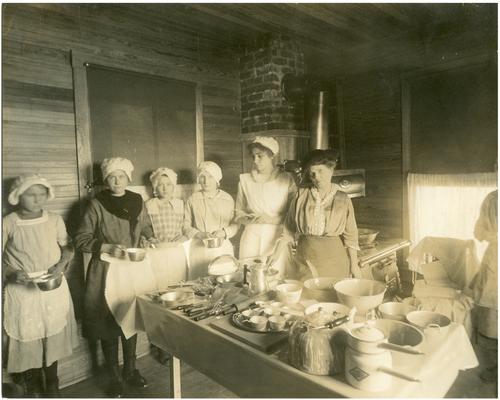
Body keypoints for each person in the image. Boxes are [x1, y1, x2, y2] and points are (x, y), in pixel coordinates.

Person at [74, 157, 153, 397]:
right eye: (111, 177)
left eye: (121, 176)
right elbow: (81, 239)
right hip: (106, 272)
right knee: (108, 323)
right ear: (105, 179)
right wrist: (107, 248)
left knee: (129, 318)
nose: (117, 181)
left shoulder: (138, 200)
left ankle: (130, 369)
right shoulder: (96, 204)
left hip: (131, 269)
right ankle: (114, 376)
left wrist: (146, 238)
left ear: (129, 178)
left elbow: (146, 227)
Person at [3, 174, 78, 397]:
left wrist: (62, 265)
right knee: (30, 336)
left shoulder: (54, 220)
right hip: (22, 290)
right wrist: (11, 273)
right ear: (18, 196)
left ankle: (53, 384)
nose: (37, 199)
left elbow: (68, 247)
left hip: (52, 286)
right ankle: (33, 386)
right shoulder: (8, 222)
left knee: (51, 333)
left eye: (42, 194)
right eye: (31, 195)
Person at [269, 149, 362, 280]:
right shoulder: (300, 196)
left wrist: (354, 266)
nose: (316, 177)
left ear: (331, 169)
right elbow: (288, 232)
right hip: (305, 261)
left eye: (320, 171)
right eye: (312, 173)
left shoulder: (343, 199)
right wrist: (275, 254)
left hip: (335, 262)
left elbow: (351, 237)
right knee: (307, 297)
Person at [235, 136, 296, 273]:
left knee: (276, 277)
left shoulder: (286, 180)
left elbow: (292, 215)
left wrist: (271, 219)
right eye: (253, 156)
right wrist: (247, 218)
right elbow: (238, 212)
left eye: (260, 156)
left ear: (271, 156)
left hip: (276, 238)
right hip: (251, 236)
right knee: (250, 278)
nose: (255, 161)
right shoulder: (245, 180)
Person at [184, 161, 238, 278]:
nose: (206, 181)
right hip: (199, 249)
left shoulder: (227, 199)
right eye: (202, 177)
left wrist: (224, 232)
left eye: (210, 177)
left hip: (222, 248)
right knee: (200, 284)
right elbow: (185, 226)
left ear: (217, 179)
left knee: (223, 281)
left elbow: (235, 223)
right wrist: (199, 234)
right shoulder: (192, 199)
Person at [470, 189, 497, 382]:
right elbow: (480, 233)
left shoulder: (493, 198)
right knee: (491, 321)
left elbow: (480, 234)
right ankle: (494, 370)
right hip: (494, 264)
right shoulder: (493, 198)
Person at [145, 167, 187, 244]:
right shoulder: (149, 205)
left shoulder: (180, 204)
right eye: (160, 185)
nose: (165, 188)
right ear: (155, 188)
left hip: (177, 244)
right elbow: (145, 227)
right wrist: (150, 239)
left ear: (173, 186)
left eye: (168, 184)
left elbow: (185, 226)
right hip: (157, 244)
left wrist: (183, 238)